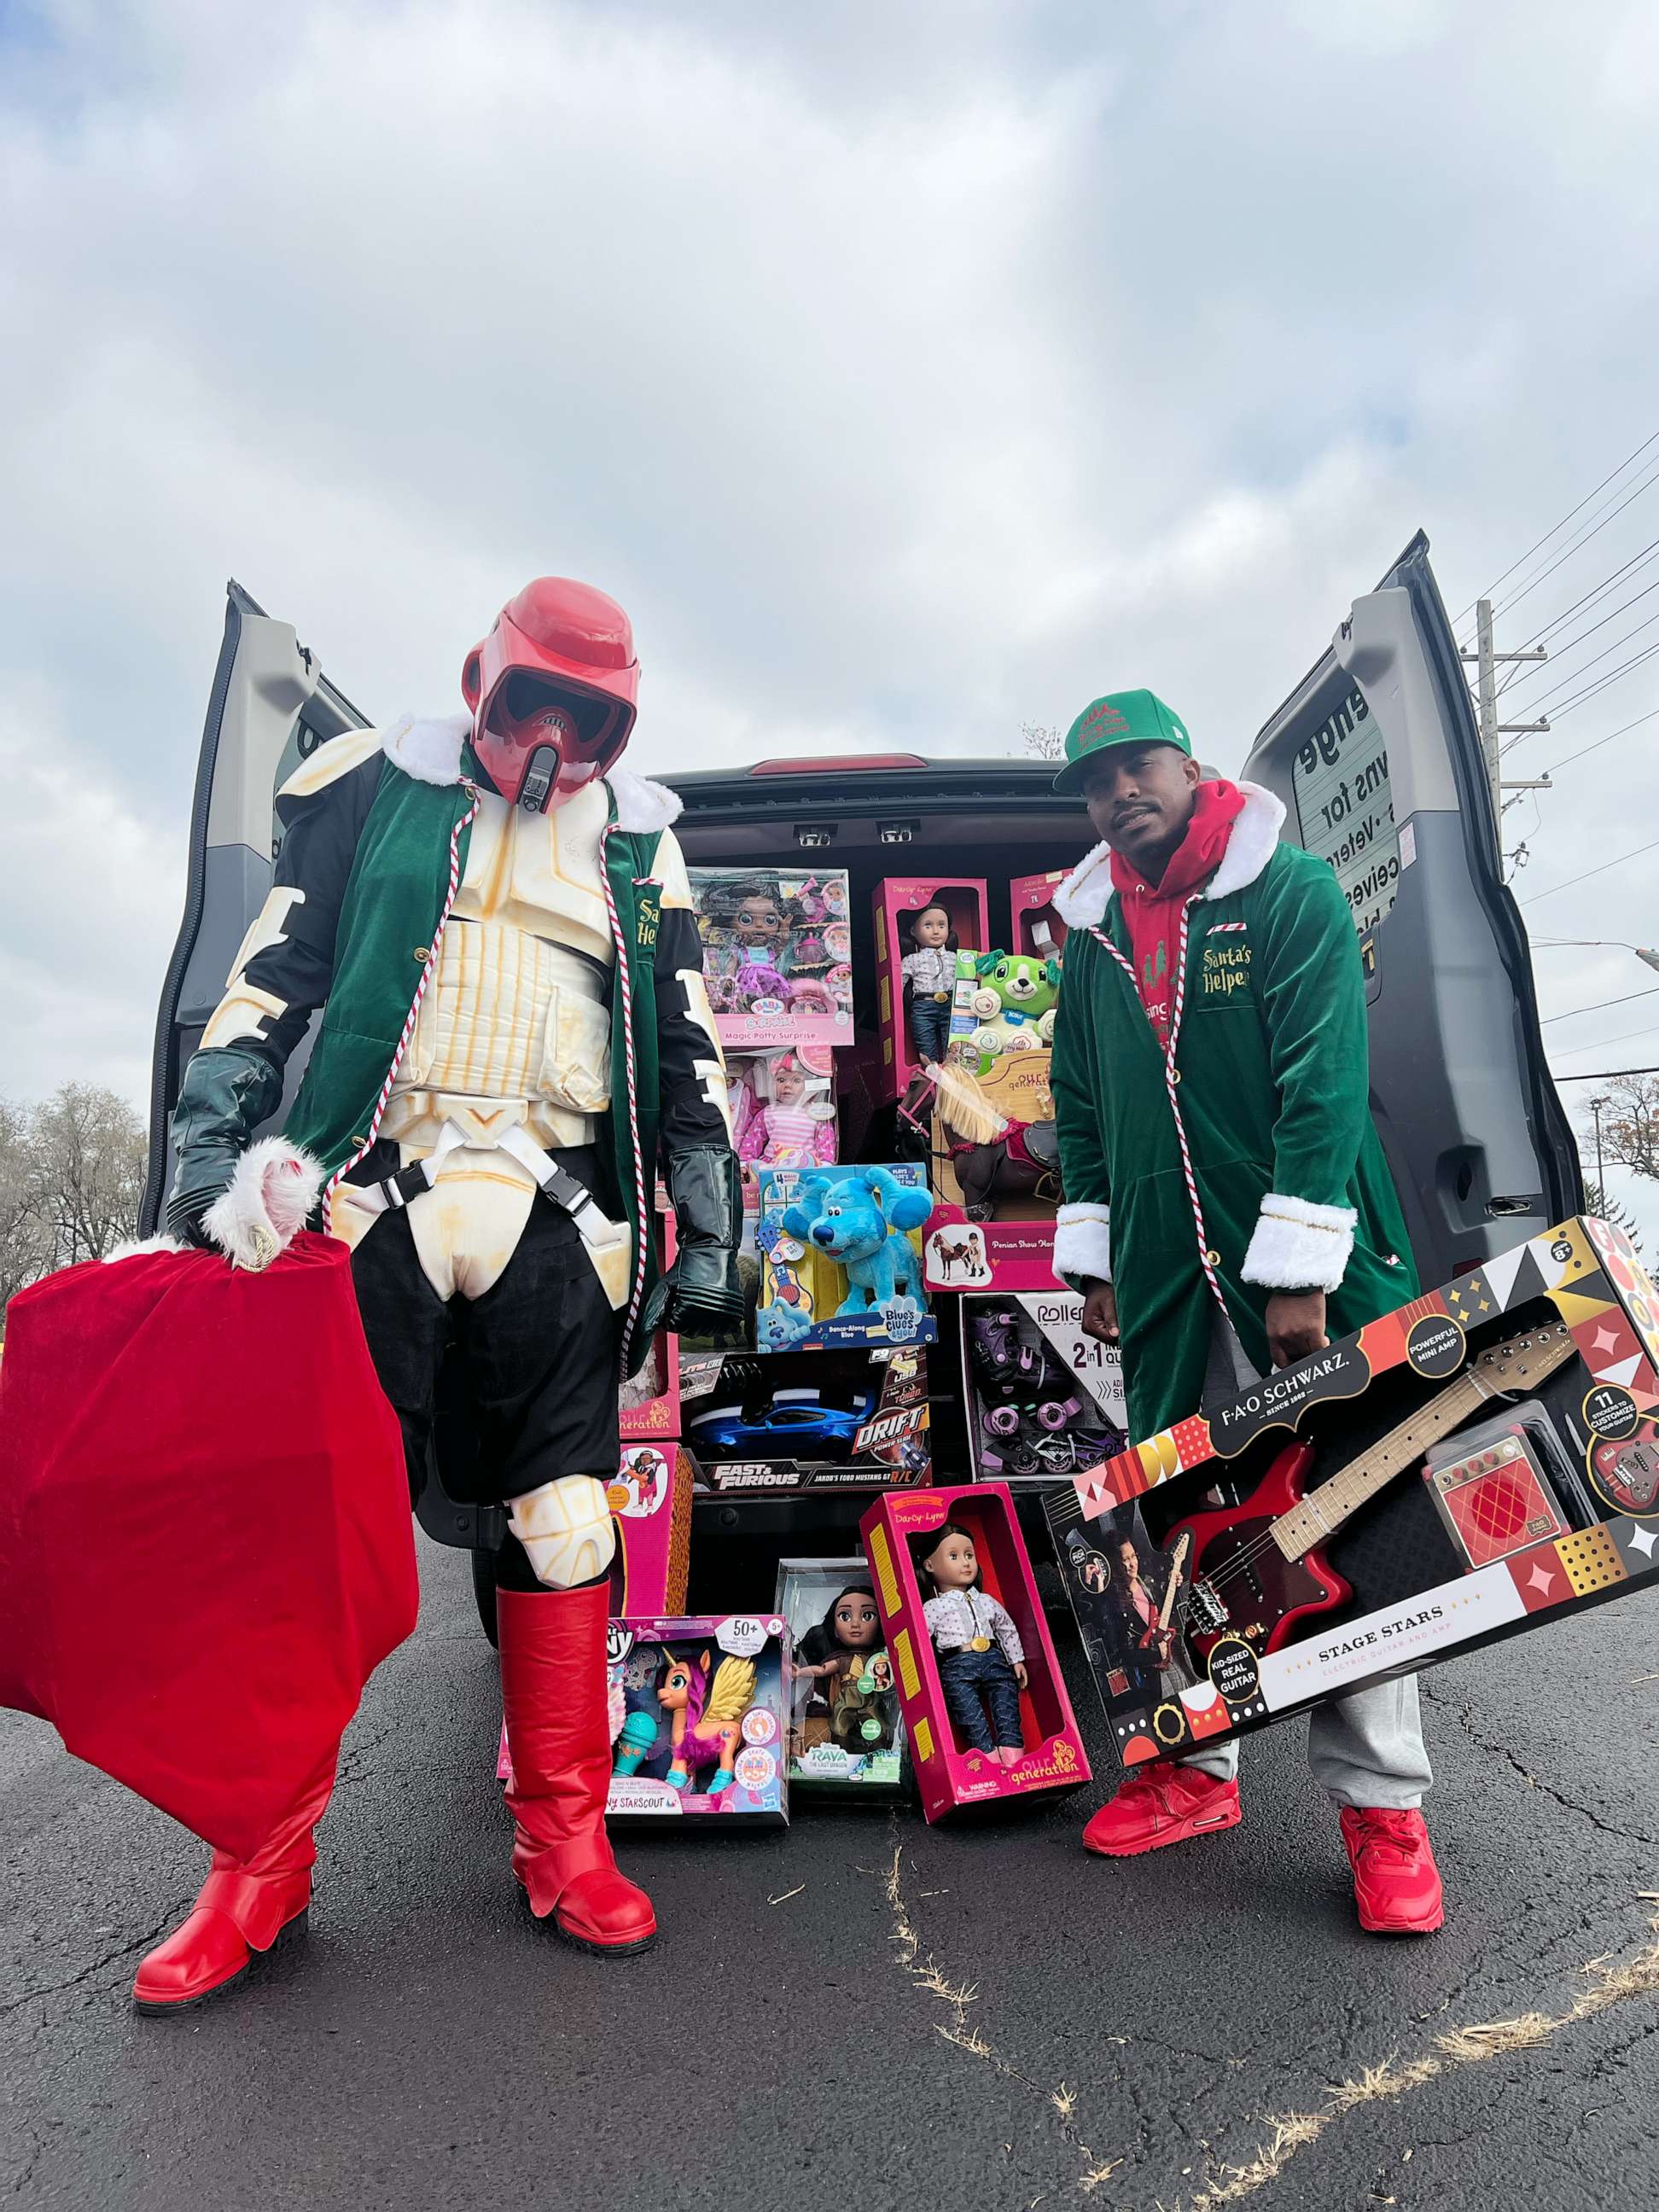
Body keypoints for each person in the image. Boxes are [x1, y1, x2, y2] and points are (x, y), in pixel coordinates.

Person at [137, 577, 744, 2011]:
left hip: (557, 1205)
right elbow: (271, 972)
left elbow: (684, 1031)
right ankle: (257, 1868)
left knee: (564, 1512)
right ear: (483, 678)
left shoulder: (643, 842)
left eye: (583, 714)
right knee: (294, 1528)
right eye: (530, 699)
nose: (548, 735)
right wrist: (213, 1130)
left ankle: (565, 1836)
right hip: (366, 1191)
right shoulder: (371, 792)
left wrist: (709, 1200)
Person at [1047, 688, 1442, 1936]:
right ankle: (1197, 1767)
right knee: (1192, 1533)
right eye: (1098, 782)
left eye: (1140, 766)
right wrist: (1096, 1251)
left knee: (1348, 1532)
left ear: (1190, 760)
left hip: (1307, 1277)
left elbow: (1323, 1082)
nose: (1121, 793)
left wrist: (1300, 1271)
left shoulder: (1291, 890)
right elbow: (1079, 1102)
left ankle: (1384, 1813)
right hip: (1166, 1285)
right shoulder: (1094, 929)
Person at [900, 900, 958, 1065]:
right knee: (926, 1047)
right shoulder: (912, 959)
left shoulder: (956, 957)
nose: (935, 931)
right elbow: (899, 984)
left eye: (941, 925)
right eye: (928, 925)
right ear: (913, 930)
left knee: (954, 1046)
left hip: (951, 1004)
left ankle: (952, 1075)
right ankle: (930, 1078)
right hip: (923, 1007)